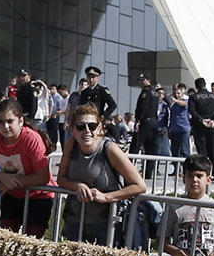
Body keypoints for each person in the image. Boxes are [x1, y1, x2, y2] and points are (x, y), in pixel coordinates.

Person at [55, 103, 146, 245]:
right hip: (76, 222)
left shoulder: (110, 149)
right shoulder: (71, 145)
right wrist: (77, 185)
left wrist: (106, 197)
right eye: (80, 127)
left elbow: (139, 186)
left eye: (92, 126)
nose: (87, 131)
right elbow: (61, 179)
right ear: (71, 129)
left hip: (107, 226)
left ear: (99, 128)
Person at [0, 98, 53, 235]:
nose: (5, 127)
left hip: (38, 196)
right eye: (1, 122)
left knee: (32, 240)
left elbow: (43, 177)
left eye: (10, 121)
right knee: (4, 237)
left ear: (20, 121)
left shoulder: (31, 139)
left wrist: (10, 183)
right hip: (12, 195)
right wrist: (2, 177)